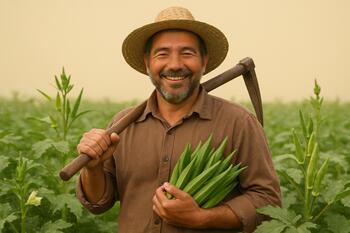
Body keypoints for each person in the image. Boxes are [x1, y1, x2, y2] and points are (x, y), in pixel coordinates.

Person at [76, 6, 281, 233]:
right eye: (162, 54)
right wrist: (92, 169)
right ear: (147, 62)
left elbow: (268, 201)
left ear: (204, 60)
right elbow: (99, 203)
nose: (174, 64)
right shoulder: (122, 124)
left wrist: (202, 218)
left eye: (187, 53)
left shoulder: (238, 123)